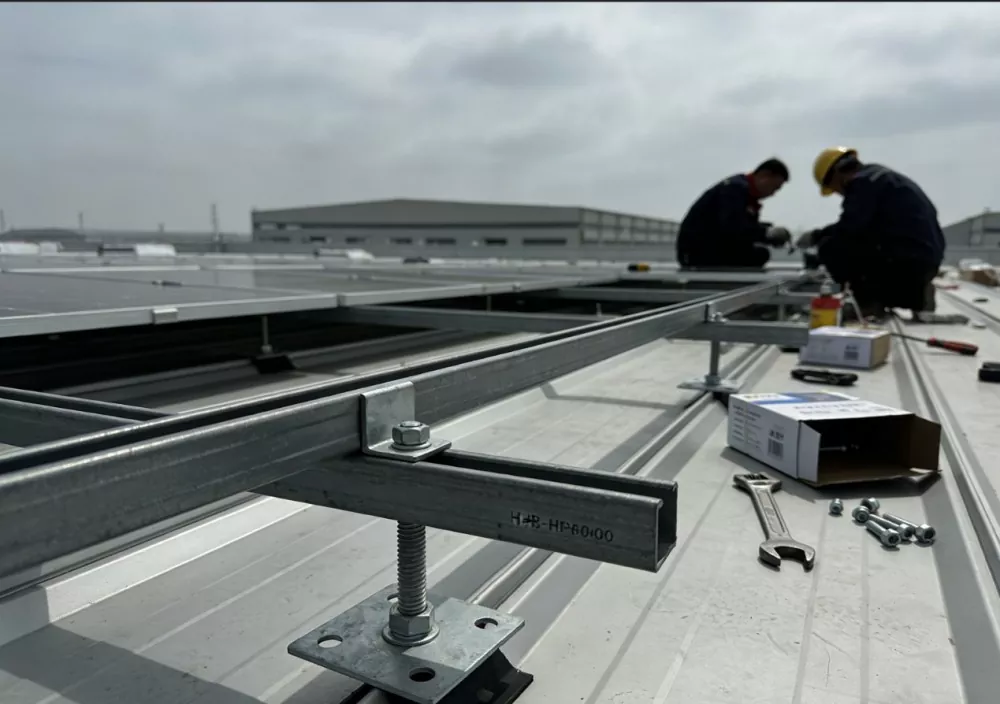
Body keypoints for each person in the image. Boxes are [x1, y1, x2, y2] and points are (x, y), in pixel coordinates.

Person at [795, 147, 945, 318]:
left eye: (834, 189)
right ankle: (917, 294)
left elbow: (848, 229)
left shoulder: (862, 184)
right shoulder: (880, 177)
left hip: (906, 264)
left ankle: (867, 304)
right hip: (923, 263)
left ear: (837, 174)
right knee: (852, 243)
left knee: (831, 247)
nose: (839, 194)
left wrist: (817, 237)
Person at [675, 158, 792, 269]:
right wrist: (766, 233)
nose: (773, 194)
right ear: (764, 176)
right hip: (697, 252)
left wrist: (769, 235)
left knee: (758, 254)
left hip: (707, 246)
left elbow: (742, 228)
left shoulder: (744, 193)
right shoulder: (734, 190)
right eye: (774, 187)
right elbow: (733, 228)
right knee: (759, 255)